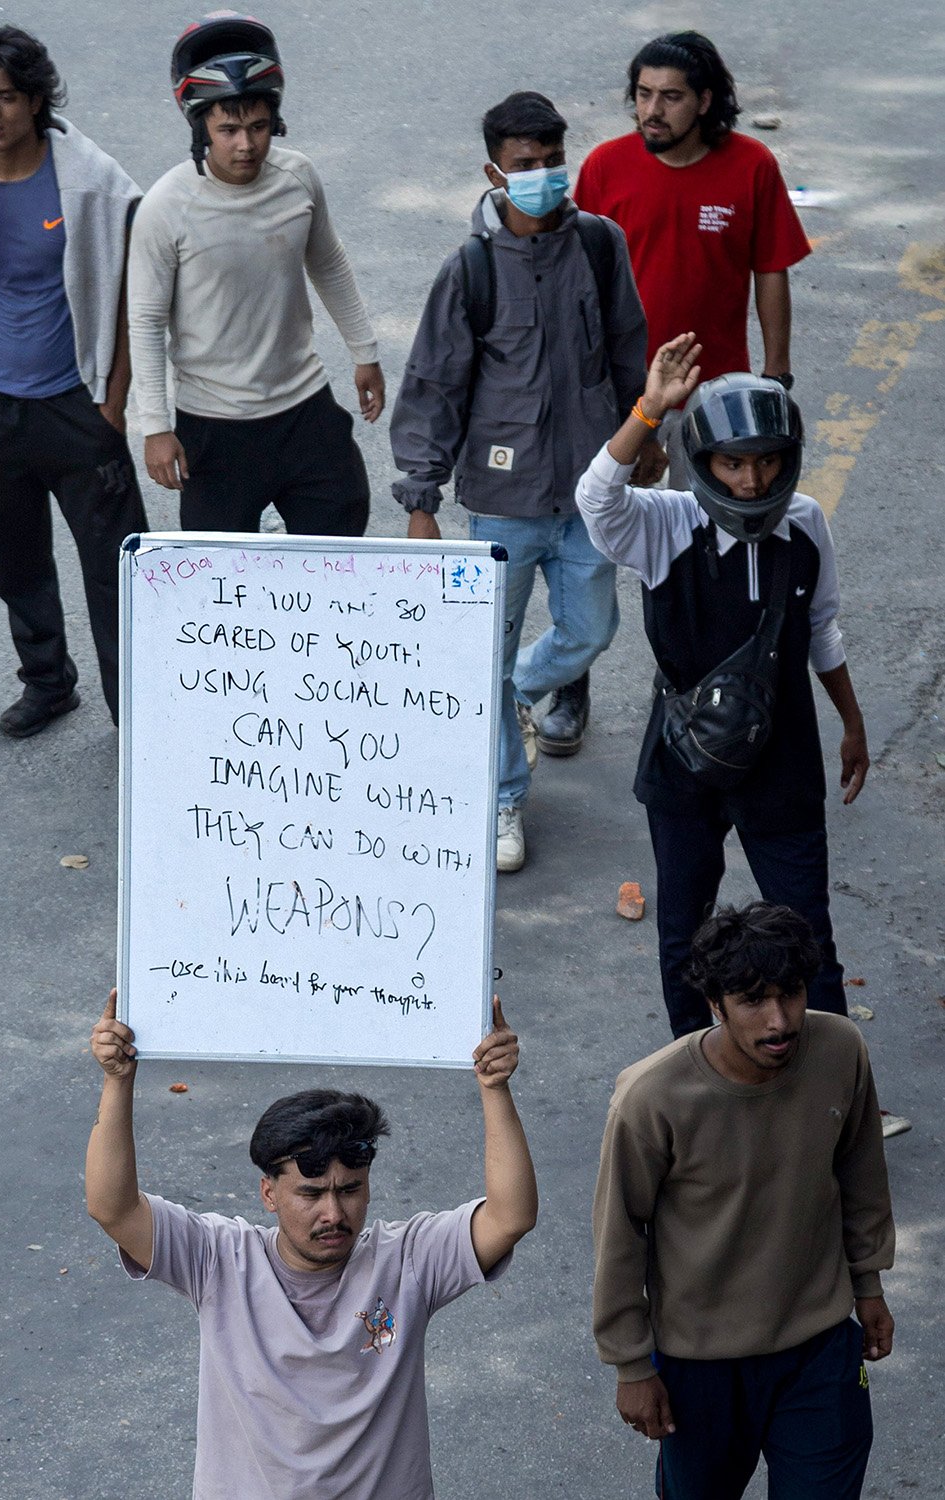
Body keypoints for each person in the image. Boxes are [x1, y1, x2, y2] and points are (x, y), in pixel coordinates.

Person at [86, 991, 537, 1499]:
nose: (334, 1214)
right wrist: (117, 1081)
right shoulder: (219, 1261)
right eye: (310, 1193)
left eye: (350, 1190)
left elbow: (510, 1215)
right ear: (269, 1193)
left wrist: (495, 1088)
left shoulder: (407, 1262)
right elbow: (115, 1208)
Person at [576, 332, 870, 1039]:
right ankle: (694, 1080)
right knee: (683, 930)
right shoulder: (663, 522)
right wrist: (648, 411)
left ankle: (828, 1091)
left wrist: (851, 724)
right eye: (731, 463)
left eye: (766, 462)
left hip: (783, 757)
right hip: (683, 760)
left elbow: (822, 629)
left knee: (807, 931)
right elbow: (594, 498)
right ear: (700, 464)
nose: (750, 481)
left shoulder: (804, 524)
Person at [390, 91, 654, 872]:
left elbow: (628, 350)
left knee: (589, 631)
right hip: (502, 505)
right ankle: (504, 797)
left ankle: (512, 696)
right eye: (523, 166)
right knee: (484, 650)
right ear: (493, 172)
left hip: (588, 494)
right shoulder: (469, 269)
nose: (540, 177)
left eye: (550, 163)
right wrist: (419, 497)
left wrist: (645, 439)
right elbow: (433, 383)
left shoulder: (600, 246)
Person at [592, 901, 895, 1499]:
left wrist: (869, 1285)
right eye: (753, 1000)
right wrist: (631, 1365)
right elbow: (618, 1237)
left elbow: (861, 1174)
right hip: (700, 1368)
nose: (778, 1021)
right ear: (715, 1005)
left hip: (820, 1350)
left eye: (791, 994)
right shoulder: (653, 1097)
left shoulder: (839, 1049)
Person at [0, 26, 146, 738]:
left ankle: (135, 714)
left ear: (36, 99)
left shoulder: (94, 184)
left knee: (116, 574)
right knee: (16, 565)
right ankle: (47, 684)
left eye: (6, 98)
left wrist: (112, 406)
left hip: (75, 406)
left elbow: (131, 303)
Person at [129, 12, 384, 535]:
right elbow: (146, 322)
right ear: (200, 126)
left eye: (258, 127)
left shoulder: (298, 179)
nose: (245, 145)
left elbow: (329, 262)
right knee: (219, 589)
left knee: (340, 550)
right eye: (227, 130)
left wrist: (365, 353)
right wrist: (155, 427)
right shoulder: (164, 207)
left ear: (276, 122)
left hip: (304, 409)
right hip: (213, 426)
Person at [575, 31, 811, 485]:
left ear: (704, 102)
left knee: (706, 528)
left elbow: (770, 269)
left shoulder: (752, 165)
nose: (652, 111)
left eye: (670, 97)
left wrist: (777, 375)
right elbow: (581, 280)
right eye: (643, 95)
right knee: (619, 526)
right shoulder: (606, 166)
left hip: (715, 389)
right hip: (624, 390)